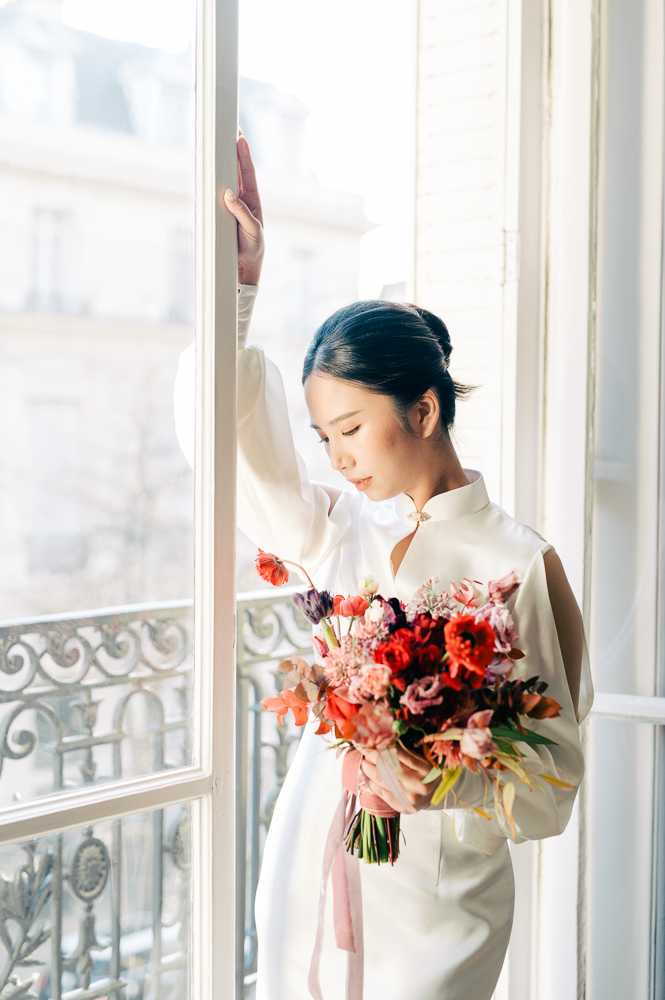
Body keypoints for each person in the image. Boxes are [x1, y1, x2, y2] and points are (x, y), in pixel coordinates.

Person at [173, 133, 594, 1000]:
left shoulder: (518, 563)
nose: (335, 457)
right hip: (310, 867)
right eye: (322, 436)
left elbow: (553, 781)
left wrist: (441, 778)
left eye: (351, 430)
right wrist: (237, 292)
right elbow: (224, 453)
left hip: (438, 908)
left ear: (424, 411)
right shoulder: (340, 534)